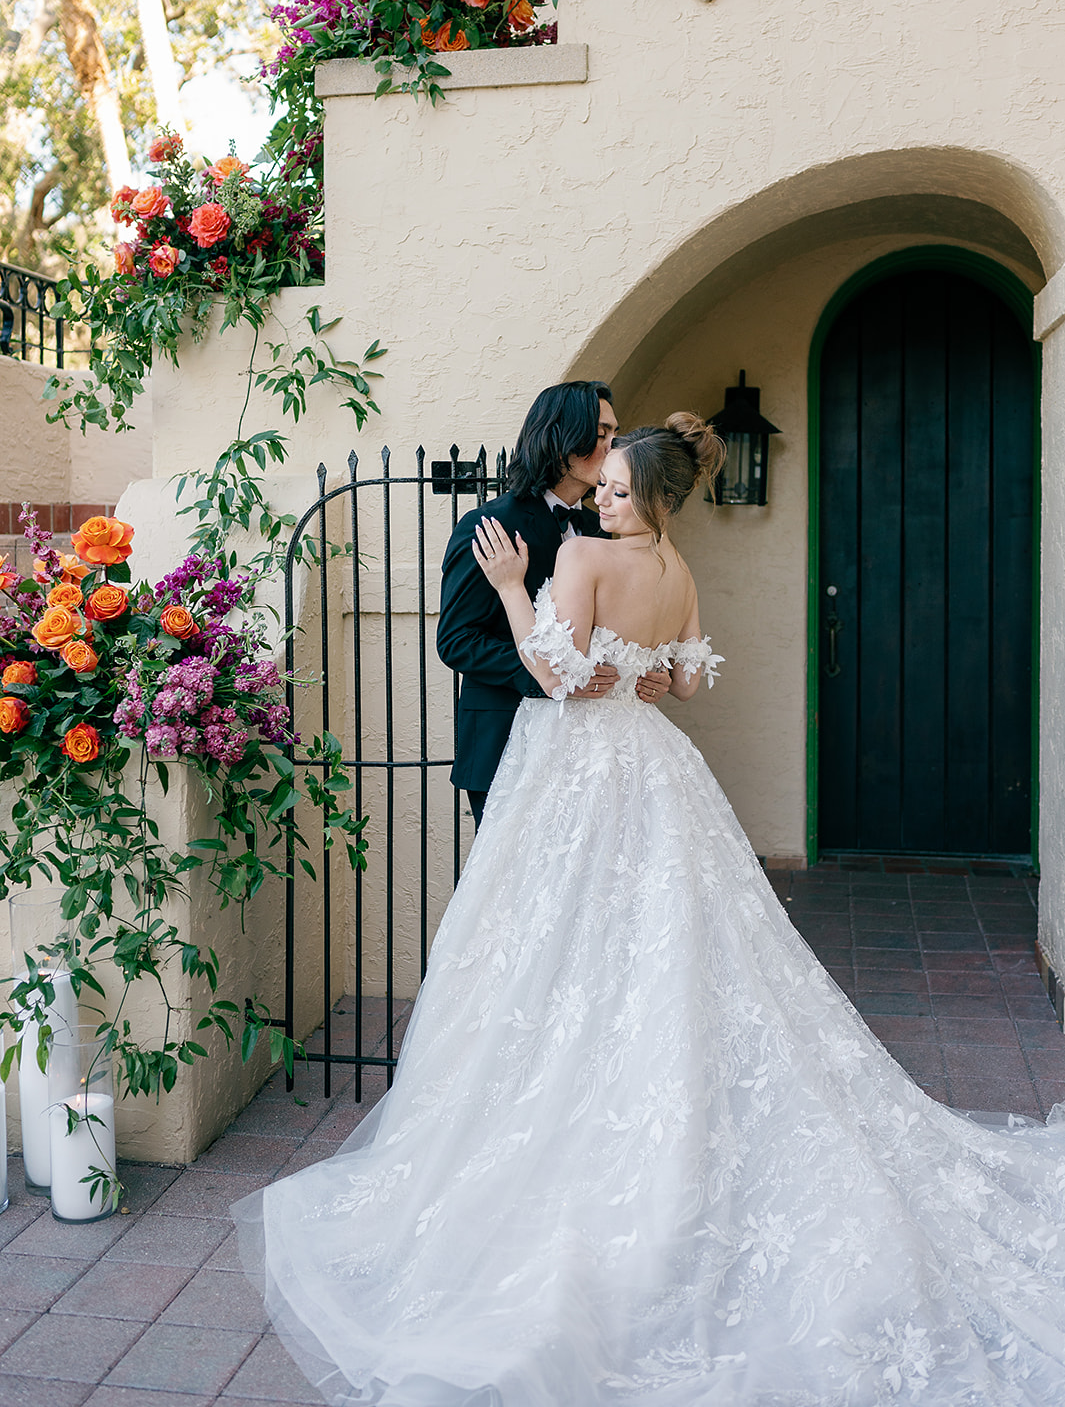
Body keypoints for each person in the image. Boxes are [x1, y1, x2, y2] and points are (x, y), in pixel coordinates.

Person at [237, 414, 1065, 1407]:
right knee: (659, 947)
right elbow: (682, 676)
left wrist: (510, 589)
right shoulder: (676, 566)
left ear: (654, 498)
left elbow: (553, 673)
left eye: (622, 486)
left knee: (570, 948)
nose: (604, 497)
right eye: (606, 485)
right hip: (653, 764)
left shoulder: (582, 555)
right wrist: (635, 666)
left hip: (579, 767)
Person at [436, 379, 668, 827]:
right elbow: (457, 640)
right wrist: (554, 674)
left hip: (587, 752)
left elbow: (614, 629)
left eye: (615, 435)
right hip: (504, 743)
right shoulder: (490, 525)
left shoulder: (600, 529)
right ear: (561, 439)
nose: (612, 447)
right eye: (601, 434)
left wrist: (645, 669)